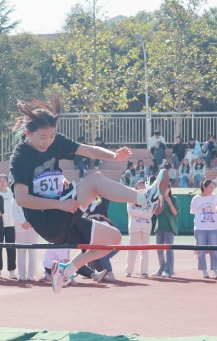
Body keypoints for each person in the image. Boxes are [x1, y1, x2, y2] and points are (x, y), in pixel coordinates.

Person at [9, 96, 160, 293]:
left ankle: (65, 271)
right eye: (43, 138)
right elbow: (22, 198)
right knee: (95, 181)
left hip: (63, 216)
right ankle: (144, 198)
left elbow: (89, 150)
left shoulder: (55, 142)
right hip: (46, 219)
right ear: (28, 133)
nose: (48, 142)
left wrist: (114, 156)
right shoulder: (20, 157)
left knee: (113, 238)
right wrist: (60, 205)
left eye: (52, 136)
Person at [190, 179, 217, 278]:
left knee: (214, 249)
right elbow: (193, 211)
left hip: (213, 227)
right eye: (210, 187)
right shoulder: (196, 198)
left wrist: (214, 212)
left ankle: (215, 270)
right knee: (201, 250)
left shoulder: (215, 197)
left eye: (213, 187)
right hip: (200, 227)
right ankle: (203, 270)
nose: (212, 189)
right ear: (204, 187)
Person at [125, 180, 155, 277]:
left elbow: (150, 213)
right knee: (132, 250)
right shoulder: (131, 197)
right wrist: (144, 211)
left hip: (146, 228)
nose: (142, 187)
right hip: (134, 228)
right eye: (139, 185)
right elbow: (131, 212)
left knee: (145, 251)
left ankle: (144, 271)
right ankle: (129, 270)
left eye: (143, 185)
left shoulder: (149, 199)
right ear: (136, 187)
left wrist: (138, 212)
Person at [152, 180, 179, 278]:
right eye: (162, 188)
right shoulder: (158, 199)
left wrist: (169, 202)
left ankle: (168, 271)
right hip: (159, 228)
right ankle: (161, 269)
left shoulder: (174, 199)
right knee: (159, 250)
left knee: (169, 250)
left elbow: (175, 213)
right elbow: (154, 212)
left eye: (166, 188)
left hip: (169, 228)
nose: (164, 190)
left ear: (169, 189)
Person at [0, 174, 18, 279]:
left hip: (11, 225)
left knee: (11, 248)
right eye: (0, 181)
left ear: (7, 182)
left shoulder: (12, 193)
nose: (2, 182)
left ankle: (12, 270)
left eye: (4, 180)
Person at [13, 197, 39, 281]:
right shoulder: (15, 200)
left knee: (33, 252)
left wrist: (31, 223)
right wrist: (22, 223)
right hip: (19, 229)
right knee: (21, 252)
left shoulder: (33, 198)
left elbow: (37, 211)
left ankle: (31, 274)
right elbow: (14, 213)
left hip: (33, 229)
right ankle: (22, 274)